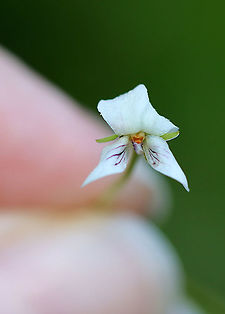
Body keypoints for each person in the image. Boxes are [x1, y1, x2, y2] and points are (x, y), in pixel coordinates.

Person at [0, 47, 202, 314]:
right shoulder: (132, 144)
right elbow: (108, 166)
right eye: (135, 139)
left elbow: (166, 166)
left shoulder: (139, 144)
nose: (137, 142)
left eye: (140, 139)